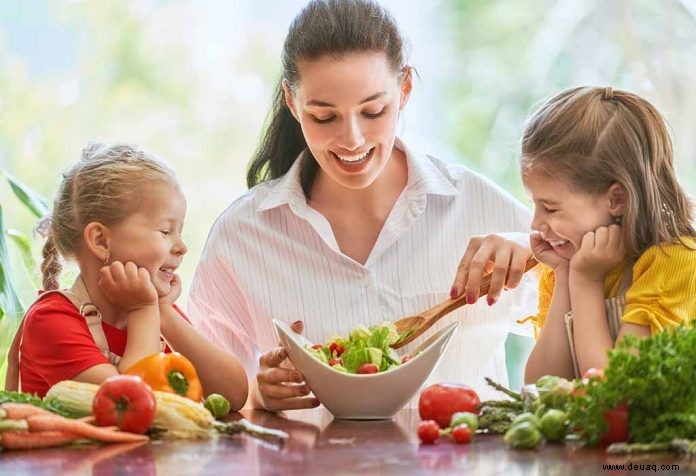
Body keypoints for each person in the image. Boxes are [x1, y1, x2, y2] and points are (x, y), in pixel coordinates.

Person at [188, 0, 536, 410]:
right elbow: (196, 393)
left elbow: (592, 324)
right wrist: (256, 393)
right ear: (291, 101)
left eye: (373, 111)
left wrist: (541, 253)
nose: (352, 139)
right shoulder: (243, 234)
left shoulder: (475, 205)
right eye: (324, 117)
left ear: (404, 89)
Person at [8, 143, 248, 409]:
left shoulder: (158, 314)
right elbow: (132, 406)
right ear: (101, 240)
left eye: (180, 231)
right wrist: (144, 309)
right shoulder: (51, 321)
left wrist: (162, 310)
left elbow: (233, 395)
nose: (182, 246)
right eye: (166, 231)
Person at [521, 86, 696, 382]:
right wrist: (565, 278)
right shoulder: (566, 263)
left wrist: (586, 281)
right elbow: (542, 386)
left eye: (550, 209)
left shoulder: (674, 263)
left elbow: (614, 394)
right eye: (535, 205)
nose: (536, 224)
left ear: (617, 200)